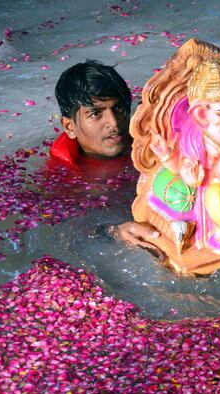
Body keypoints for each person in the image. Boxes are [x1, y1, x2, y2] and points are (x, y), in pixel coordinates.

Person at [50, 60, 162, 255]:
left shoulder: (151, 140)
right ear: (69, 127)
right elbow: (71, 234)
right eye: (96, 113)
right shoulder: (63, 179)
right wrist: (114, 232)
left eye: (118, 108)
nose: (114, 122)